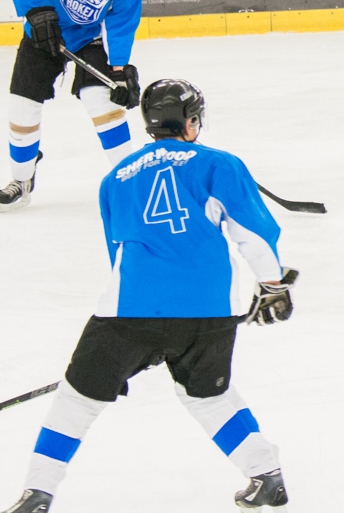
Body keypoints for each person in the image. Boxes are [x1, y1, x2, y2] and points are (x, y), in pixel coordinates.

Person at [2, 79, 298, 513]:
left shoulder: (115, 179)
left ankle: (38, 493)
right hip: (208, 311)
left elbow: (116, 252)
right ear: (191, 122)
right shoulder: (219, 164)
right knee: (209, 396)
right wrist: (273, 285)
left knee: (77, 400)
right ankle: (266, 475)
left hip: (130, 311)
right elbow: (252, 234)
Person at [1, 0, 145, 212]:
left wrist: (120, 70)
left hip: (86, 39)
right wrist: (35, 12)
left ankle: (129, 182)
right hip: (42, 35)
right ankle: (21, 180)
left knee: (102, 101)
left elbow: (122, 23)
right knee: (23, 108)